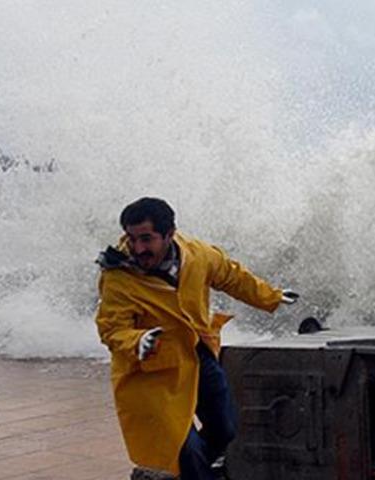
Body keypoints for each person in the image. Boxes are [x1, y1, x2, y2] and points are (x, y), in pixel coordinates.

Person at [95, 197, 299, 480]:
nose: (138, 248)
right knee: (185, 448)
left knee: (225, 428)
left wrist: (271, 296)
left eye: (146, 238)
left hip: (197, 353)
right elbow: (111, 328)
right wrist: (136, 340)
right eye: (132, 239)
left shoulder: (197, 255)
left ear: (170, 233)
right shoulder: (119, 277)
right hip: (150, 371)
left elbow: (231, 276)